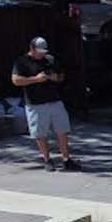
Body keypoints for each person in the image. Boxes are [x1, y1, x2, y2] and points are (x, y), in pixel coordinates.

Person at [11, 36, 79, 170]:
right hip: (36, 103)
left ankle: (66, 159)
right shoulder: (22, 62)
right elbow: (16, 80)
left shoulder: (50, 59)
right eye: (39, 51)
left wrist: (56, 78)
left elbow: (61, 76)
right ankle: (47, 160)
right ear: (32, 49)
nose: (42, 54)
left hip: (55, 100)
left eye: (44, 51)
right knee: (40, 133)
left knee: (62, 130)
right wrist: (35, 79)